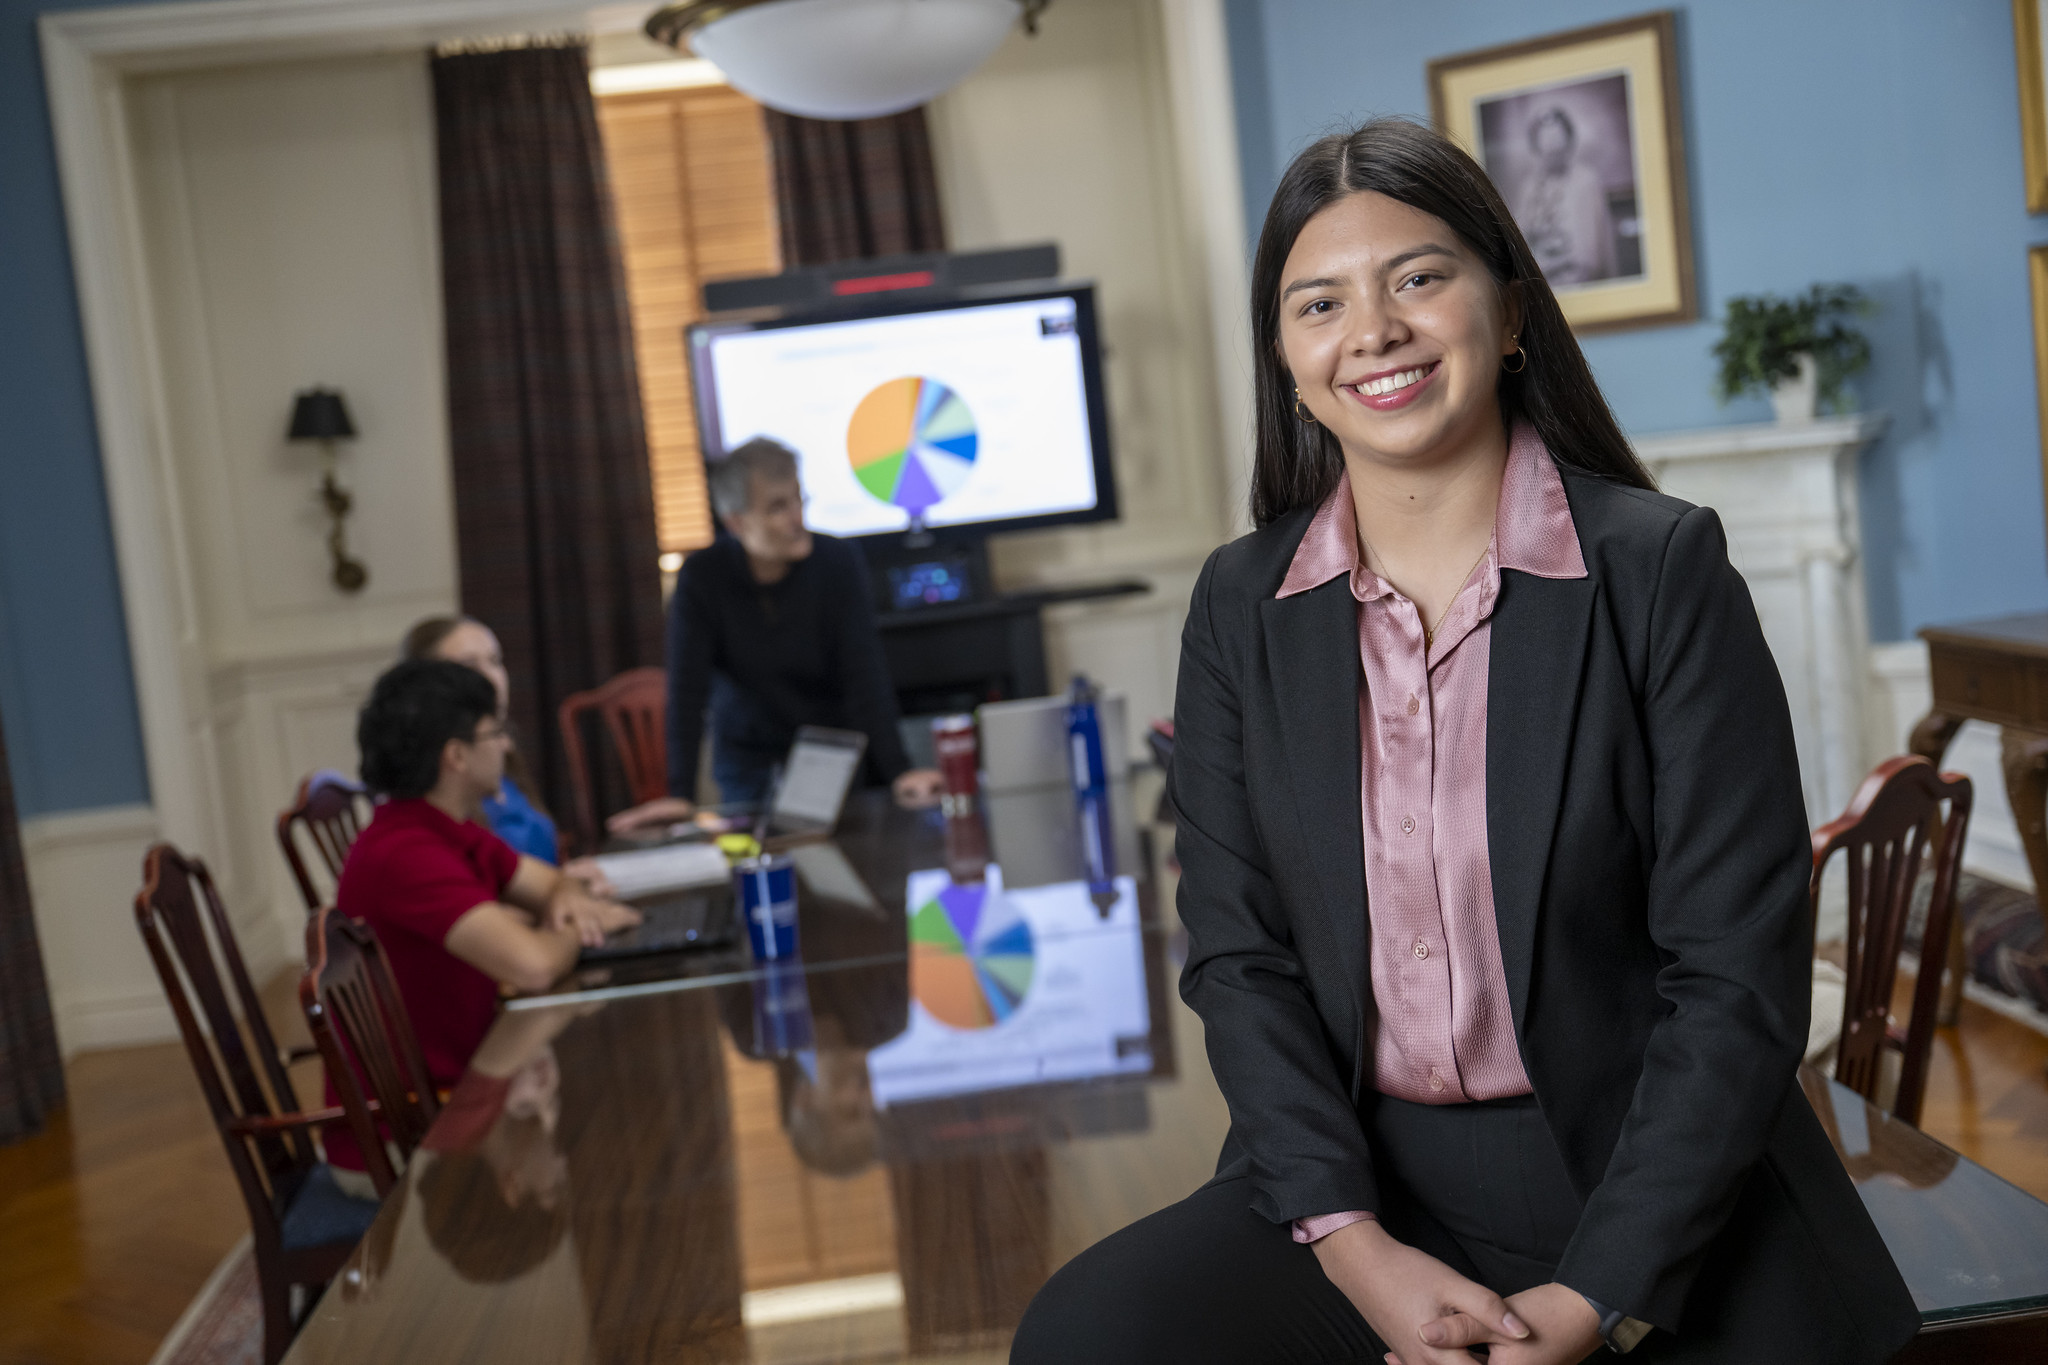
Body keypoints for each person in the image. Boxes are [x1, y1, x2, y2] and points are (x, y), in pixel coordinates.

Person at [1011, 118, 1917, 1365]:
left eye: (1418, 279)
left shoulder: (1659, 570)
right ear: (1286, 359)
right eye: (1317, 302)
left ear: (1507, 315)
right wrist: (1355, 1249)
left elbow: (1735, 975)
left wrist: (1596, 1293)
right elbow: (1238, 958)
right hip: (1362, 1184)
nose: (1371, 331)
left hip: (1647, 1175)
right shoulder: (1239, 604)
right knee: (1087, 1336)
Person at [323, 659, 640, 1184]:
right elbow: (535, 967)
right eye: (496, 733)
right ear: (456, 756)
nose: (507, 748)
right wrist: (580, 924)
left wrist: (566, 899)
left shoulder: (446, 828)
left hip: (459, 1088)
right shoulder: (405, 853)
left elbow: (552, 882)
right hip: (407, 1137)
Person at [610, 438, 942, 831]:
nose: (796, 518)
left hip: (832, 751)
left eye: (799, 499)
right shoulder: (702, 578)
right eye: (777, 508)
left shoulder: (838, 562)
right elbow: (686, 691)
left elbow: (864, 673)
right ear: (736, 521)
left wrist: (899, 770)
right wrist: (680, 793)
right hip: (748, 755)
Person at [402, 615, 611, 896]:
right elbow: (465, 896)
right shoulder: (436, 780)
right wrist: (560, 892)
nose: (491, 677)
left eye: (495, 661)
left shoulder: (499, 748)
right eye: (469, 665)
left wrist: (565, 880)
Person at [1507, 107, 1617, 285]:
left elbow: (1587, 258)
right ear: (1537, 150)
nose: (1552, 156)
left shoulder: (1585, 181)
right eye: (1546, 151)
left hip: (1577, 283)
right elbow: (1520, 243)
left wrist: (1545, 266)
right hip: (1540, 284)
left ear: (1569, 145)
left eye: (1557, 150)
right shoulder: (1529, 186)